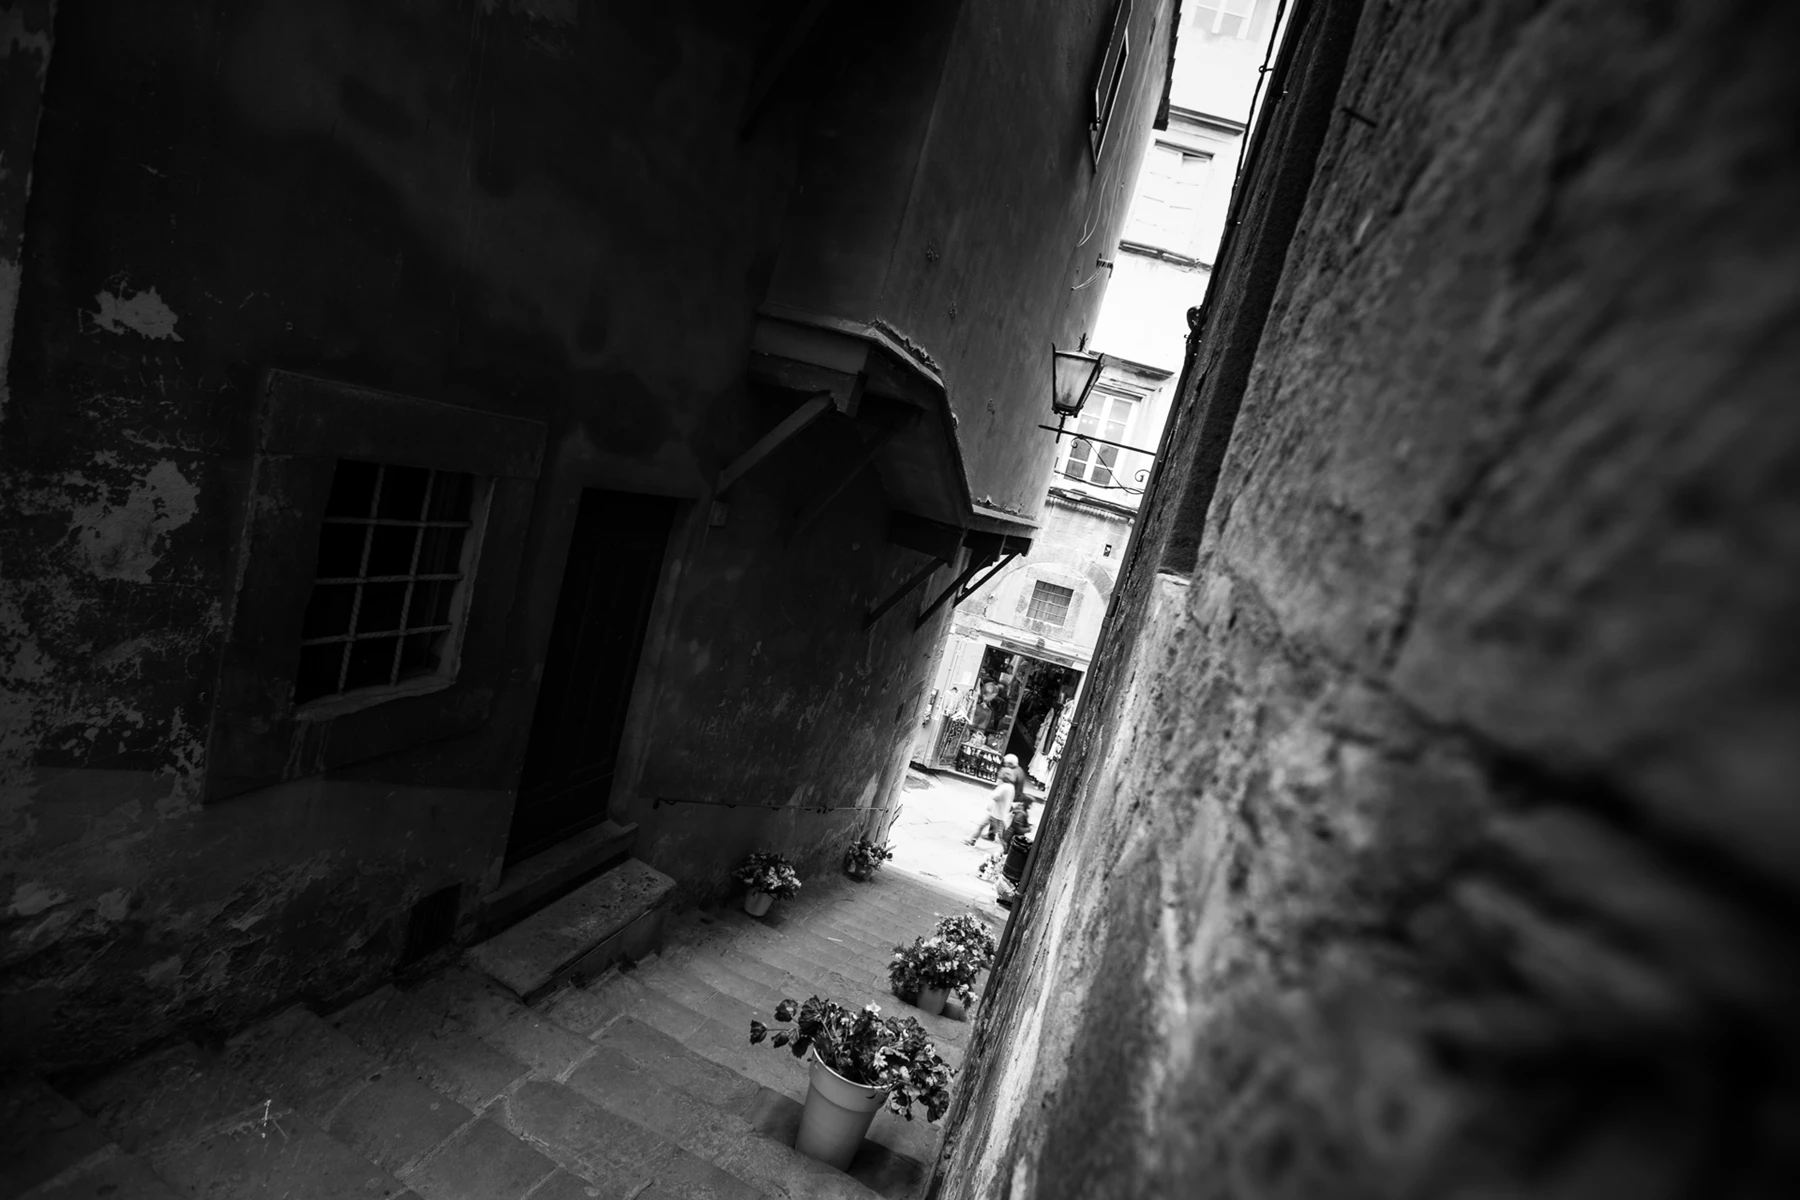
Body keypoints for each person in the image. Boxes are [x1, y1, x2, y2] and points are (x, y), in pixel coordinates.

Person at [966, 756, 1021, 845]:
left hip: (997, 814)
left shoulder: (1004, 787)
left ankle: (1005, 848)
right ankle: (972, 840)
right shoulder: (1011, 787)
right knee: (982, 825)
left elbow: (995, 796)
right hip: (998, 813)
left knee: (1000, 835)